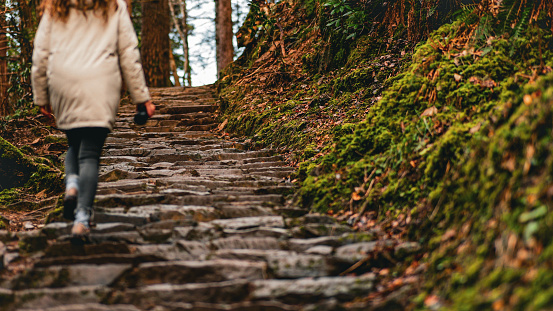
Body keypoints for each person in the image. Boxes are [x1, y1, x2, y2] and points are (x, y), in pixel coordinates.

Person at [31, 0, 155, 236]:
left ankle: (72, 185)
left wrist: (41, 96)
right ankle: (82, 218)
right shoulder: (114, 6)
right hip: (101, 82)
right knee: (89, 153)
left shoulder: (56, 7)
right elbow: (128, 53)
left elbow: (40, 54)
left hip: (63, 82)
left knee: (73, 143)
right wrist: (141, 98)